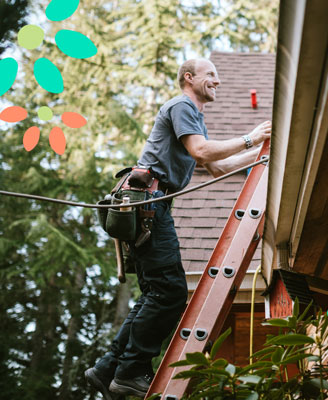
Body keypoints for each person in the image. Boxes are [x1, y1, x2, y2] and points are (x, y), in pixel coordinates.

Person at [85, 58, 271, 399]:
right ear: (189, 78)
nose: (218, 80)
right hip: (148, 206)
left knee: (156, 294)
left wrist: (262, 151)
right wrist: (250, 137)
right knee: (169, 294)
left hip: (148, 206)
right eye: (211, 74)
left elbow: (217, 166)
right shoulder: (182, 105)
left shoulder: (192, 116)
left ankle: (108, 368)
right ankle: (130, 371)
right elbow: (201, 151)